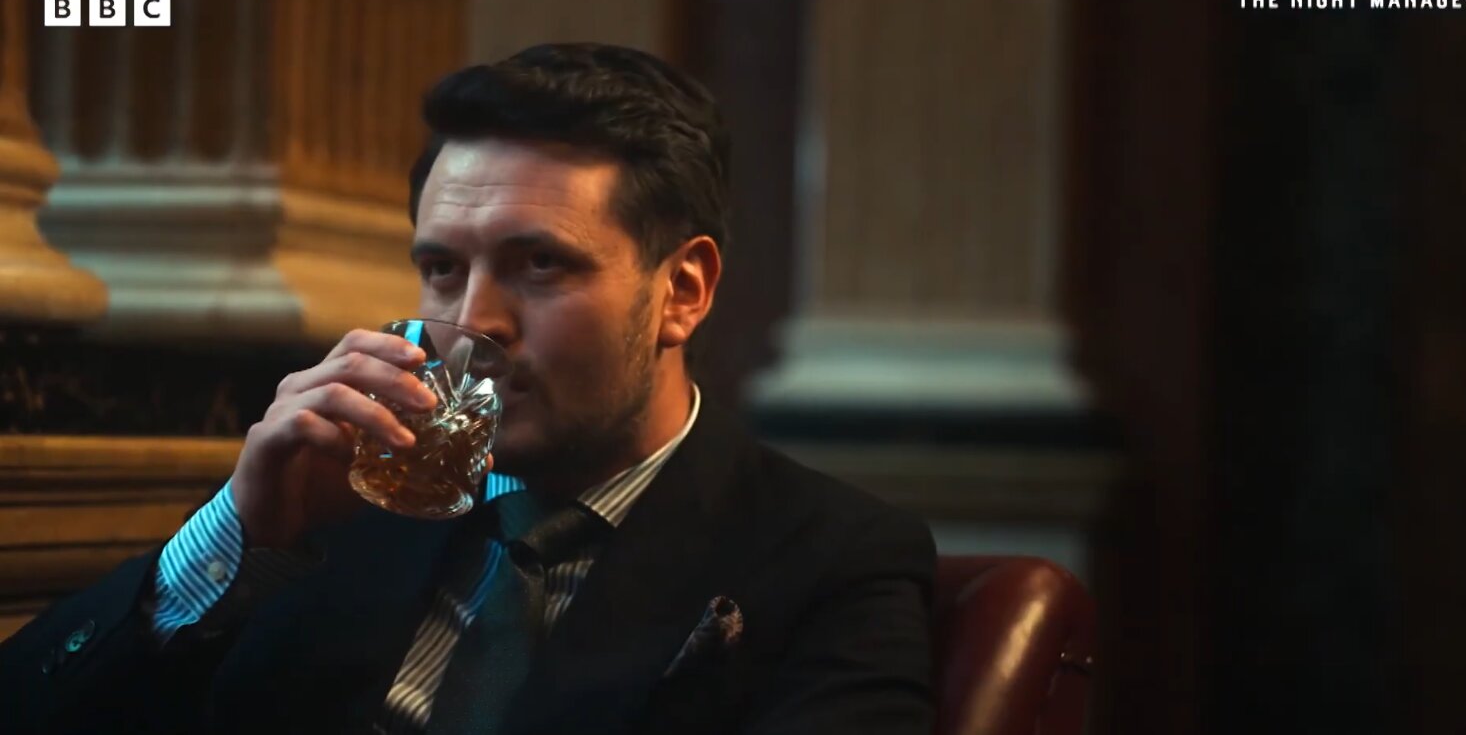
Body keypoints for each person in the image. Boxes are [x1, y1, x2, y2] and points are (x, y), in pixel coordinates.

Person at [0, 43, 936, 735]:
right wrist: (236, 539)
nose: (476, 320)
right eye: (442, 269)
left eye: (540, 264)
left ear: (681, 292)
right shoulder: (343, 504)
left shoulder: (832, 557)